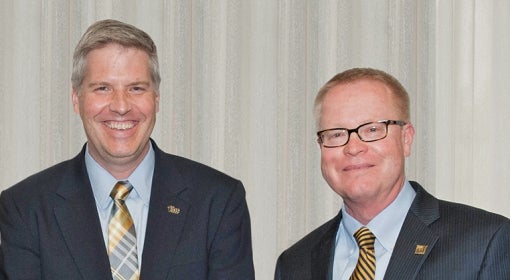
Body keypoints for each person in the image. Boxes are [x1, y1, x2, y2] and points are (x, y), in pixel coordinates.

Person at [0, 19, 254, 280]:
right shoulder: (25, 209)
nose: (121, 106)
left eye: (136, 88)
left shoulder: (218, 202)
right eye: (103, 88)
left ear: (156, 99)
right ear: (76, 99)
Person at [274, 68, 510, 280]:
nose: (353, 147)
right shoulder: (295, 264)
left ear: (406, 139)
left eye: (372, 129)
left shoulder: (484, 242)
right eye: (336, 134)